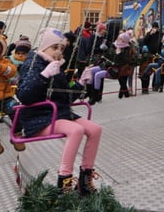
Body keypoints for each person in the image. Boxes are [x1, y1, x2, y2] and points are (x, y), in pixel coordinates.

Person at [16, 28, 102, 194]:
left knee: (95, 129)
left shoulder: (56, 67)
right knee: (76, 130)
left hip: (59, 114)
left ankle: (85, 179)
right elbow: (24, 95)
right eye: (54, 47)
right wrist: (43, 76)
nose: (58, 52)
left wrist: (81, 83)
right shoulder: (33, 64)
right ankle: (64, 182)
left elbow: (65, 97)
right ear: (44, 47)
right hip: (39, 117)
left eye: (61, 49)